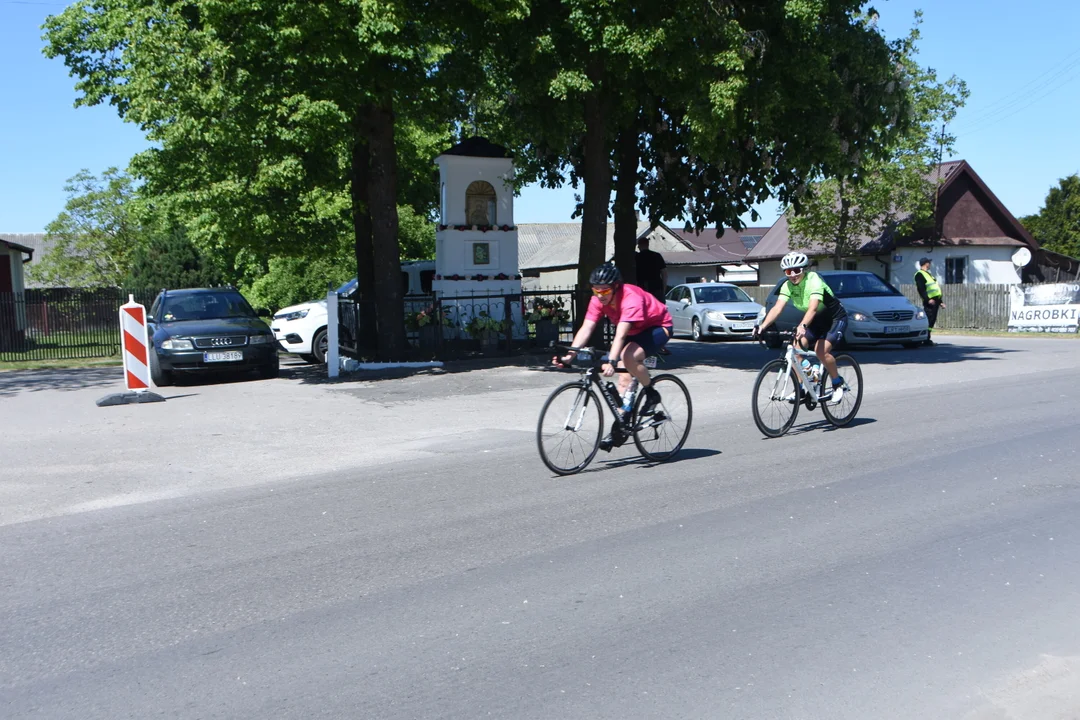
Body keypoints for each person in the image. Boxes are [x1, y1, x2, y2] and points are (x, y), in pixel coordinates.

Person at [554, 262, 674, 450]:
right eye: (596, 290)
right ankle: (620, 427)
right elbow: (586, 328)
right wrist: (569, 356)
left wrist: (611, 360)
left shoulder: (630, 298)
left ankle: (651, 393)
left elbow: (620, 335)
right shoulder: (598, 300)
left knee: (627, 357)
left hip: (658, 327)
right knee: (623, 380)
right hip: (634, 332)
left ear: (616, 287)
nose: (600, 295)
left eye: (605, 291)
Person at [753, 252, 849, 403]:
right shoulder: (787, 285)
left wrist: (802, 326)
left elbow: (812, 308)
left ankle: (838, 383)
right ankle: (802, 387)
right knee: (795, 348)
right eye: (788, 272)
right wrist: (762, 326)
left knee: (820, 351)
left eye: (796, 270)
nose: (792, 275)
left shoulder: (814, 280)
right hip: (815, 321)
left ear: (804, 269)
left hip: (834, 319)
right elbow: (777, 308)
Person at [635, 237, 671, 354]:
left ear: (639, 245)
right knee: (660, 319)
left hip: (642, 293)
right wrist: (663, 290)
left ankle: (644, 343)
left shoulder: (636, 258)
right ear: (648, 244)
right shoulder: (657, 256)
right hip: (656, 291)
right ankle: (660, 344)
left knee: (643, 318)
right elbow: (664, 274)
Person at [914, 257, 944, 346]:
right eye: (929, 263)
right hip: (930, 301)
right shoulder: (919, 274)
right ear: (926, 263)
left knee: (932, 319)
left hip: (935, 301)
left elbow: (935, 289)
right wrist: (928, 299)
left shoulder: (928, 274)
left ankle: (927, 338)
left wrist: (940, 302)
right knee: (929, 319)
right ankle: (925, 338)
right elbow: (921, 289)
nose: (930, 264)